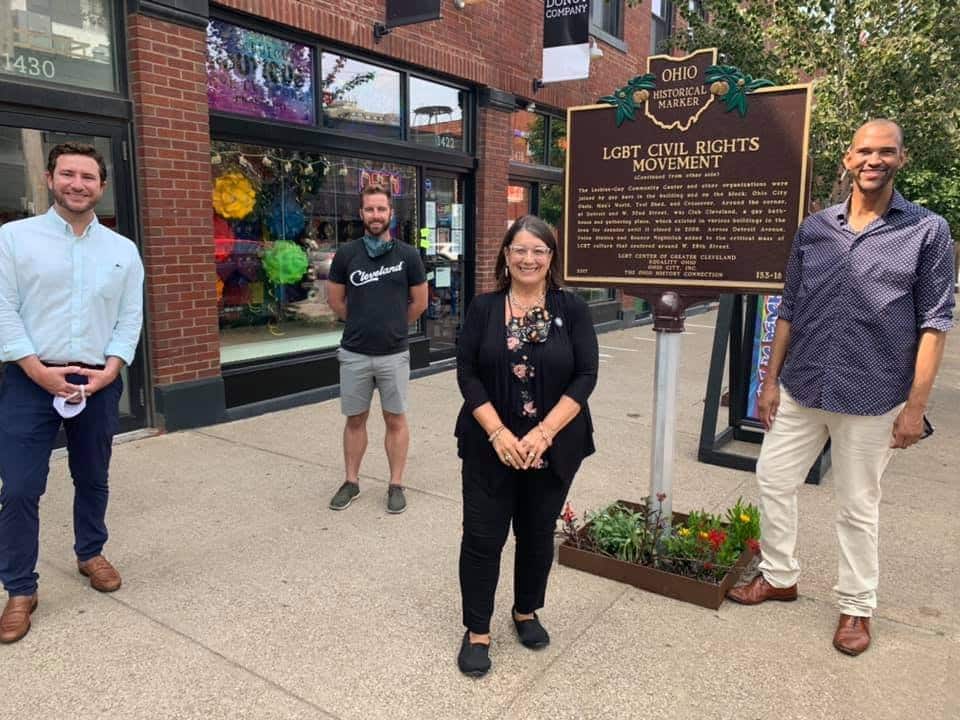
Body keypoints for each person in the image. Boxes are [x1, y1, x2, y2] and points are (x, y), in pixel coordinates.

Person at [727, 120, 954, 656]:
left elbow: (935, 323)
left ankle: (856, 606)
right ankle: (779, 576)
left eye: (886, 152)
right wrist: (769, 382)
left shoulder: (927, 231)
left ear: (901, 158)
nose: (874, 160)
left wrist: (915, 408)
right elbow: (789, 307)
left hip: (874, 394)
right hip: (804, 384)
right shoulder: (814, 229)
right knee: (773, 477)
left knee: (857, 505)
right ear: (848, 160)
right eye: (864, 152)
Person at [0, 142, 144, 644]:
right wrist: (37, 370)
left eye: (87, 177)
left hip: (97, 382)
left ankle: (90, 552)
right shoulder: (14, 239)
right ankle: (20, 589)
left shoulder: (122, 251)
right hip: (29, 379)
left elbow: (129, 318)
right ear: (49, 179)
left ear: (101, 186)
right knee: (20, 487)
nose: (77, 184)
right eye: (68, 174)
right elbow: (3, 309)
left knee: (93, 476)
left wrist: (111, 369)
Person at [454, 215, 599, 677]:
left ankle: (525, 611)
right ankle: (478, 630)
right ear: (506, 254)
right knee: (482, 538)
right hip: (489, 445)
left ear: (551, 258)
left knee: (536, 535)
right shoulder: (483, 308)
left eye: (539, 250)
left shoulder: (572, 309)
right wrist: (498, 432)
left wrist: (543, 433)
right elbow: (467, 373)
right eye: (519, 249)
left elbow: (586, 375)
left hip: (551, 447)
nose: (528, 258)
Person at [326, 184, 427, 514]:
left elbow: (419, 303)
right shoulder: (347, 255)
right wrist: (361, 322)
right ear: (361, 214)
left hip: (393, 354)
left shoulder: (408, 256)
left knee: (395, 419)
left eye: (381, 209)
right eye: (369, 209)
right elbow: (335, 301)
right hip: (355, 353)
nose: (375, 215)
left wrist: (393, 324)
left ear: (390, 213)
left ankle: (396, 484)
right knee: (355, 419)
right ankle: (351, 481)